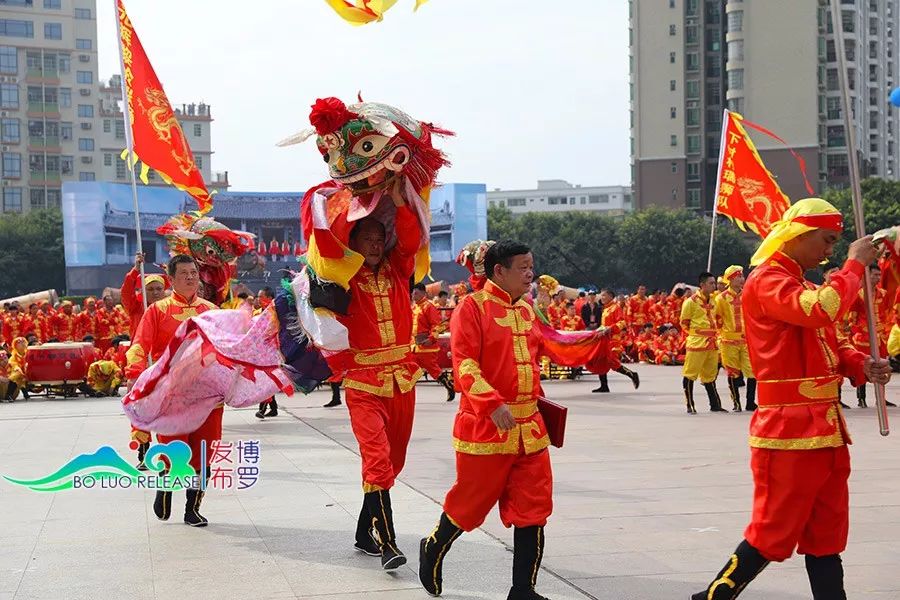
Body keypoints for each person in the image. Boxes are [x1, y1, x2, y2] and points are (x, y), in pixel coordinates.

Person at [692, 198, 893, 600]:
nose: (830, 250)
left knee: (827, 535)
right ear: (799, 235)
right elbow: (821, 311)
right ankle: (711, 598)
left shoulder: (801, 282)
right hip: (788, 429)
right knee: (771, 532)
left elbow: (830, 343)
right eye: (827, 240)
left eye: (837, 243)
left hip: (826, 427)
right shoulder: (767, 280)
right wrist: (854, 264)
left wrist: (860, 364)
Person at [418, 240, 554, 600]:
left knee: (533, 509)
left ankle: (523, 590)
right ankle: (432, 547)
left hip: (531, 428)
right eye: (523, 267)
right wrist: (491, 402)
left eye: (531, 266)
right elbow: (465, 363)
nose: (530, 274)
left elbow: (543, 354)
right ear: (499, 271)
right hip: (487, 425)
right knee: (470, 505)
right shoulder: (472, 308)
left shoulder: (527, 309)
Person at [328, 206, 423, 570]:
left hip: (402, 381)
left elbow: (410, 241)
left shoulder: (400, 271)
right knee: (378, 461)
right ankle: (389, 544)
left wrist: (400, 201)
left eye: (379, 238)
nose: (374, 244)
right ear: (353, 244)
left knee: (392, 464)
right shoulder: (344, 278)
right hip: (363, 384)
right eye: (366, 239)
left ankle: (363, 532)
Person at [125, 254, 219, 527]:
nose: (191, 277)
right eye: (184, 273)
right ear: (172, 279)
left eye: (194, 272)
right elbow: (139, 345)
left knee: (204, 452)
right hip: (171, 393)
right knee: (171, 450)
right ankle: (165, 488)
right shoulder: (157, 310)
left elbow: (226, 348)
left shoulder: (211, 310)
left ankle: (193, 509)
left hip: (207, 394)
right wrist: (134, 375)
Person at [681, 272, 726, 414]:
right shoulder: (691, 302)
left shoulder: (714, 301)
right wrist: (698, 335)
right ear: (702, 285)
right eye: (711, 283)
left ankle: (715, 404)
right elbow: (684, 323)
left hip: (712, 343)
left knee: (710, 375)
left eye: (714, 283)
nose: (714, 286)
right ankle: (690, 404)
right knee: (690, 374)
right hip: (697, 343)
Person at [715, 265, 757, 412]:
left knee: (752, 372)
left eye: (742, 276)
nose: (741, 279)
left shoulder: (748, 295)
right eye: (738, 277)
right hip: (728, 340)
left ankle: (750, 402)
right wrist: (720, 336)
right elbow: (717, 319)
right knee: (733, 372)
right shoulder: (721, 298)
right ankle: (736, 402)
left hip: (746, 340)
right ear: (731, 279)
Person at [411, 283, 455, 402]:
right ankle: (406, 397)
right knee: (409, 369)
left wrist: (431, 339)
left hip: (427, 347)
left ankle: (449, 385)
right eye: (413, 293)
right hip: (414, 345)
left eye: (416, 293)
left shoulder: (428, 307)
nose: (414, 295)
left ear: (423, 293)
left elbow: (436, 325)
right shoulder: (415, 308)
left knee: (434, 370)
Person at [594, 289, 640, 393]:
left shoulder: (616, 307)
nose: (602, 298)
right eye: (601, 296)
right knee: (601, 361)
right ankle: (604, 386)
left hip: (613, 339)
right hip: (604, 338)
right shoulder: (606, 309)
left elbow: (622, 322)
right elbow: (603, 325)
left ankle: (632, 374)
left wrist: (610, 328)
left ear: (610, 296)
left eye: (604, 295)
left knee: (612, 362)